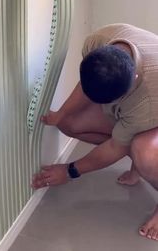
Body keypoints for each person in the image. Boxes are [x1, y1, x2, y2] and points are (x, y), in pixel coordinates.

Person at [32, 23, 158, 241]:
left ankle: (141, 165)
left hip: (153, 105)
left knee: (143, 150)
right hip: (139, 105)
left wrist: (69, 171)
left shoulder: (146, 102)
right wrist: (60, 115)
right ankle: (133, 153)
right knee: (70, 123)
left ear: (134, 78)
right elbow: (85, 84)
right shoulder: (98, 41)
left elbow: (114, 147)